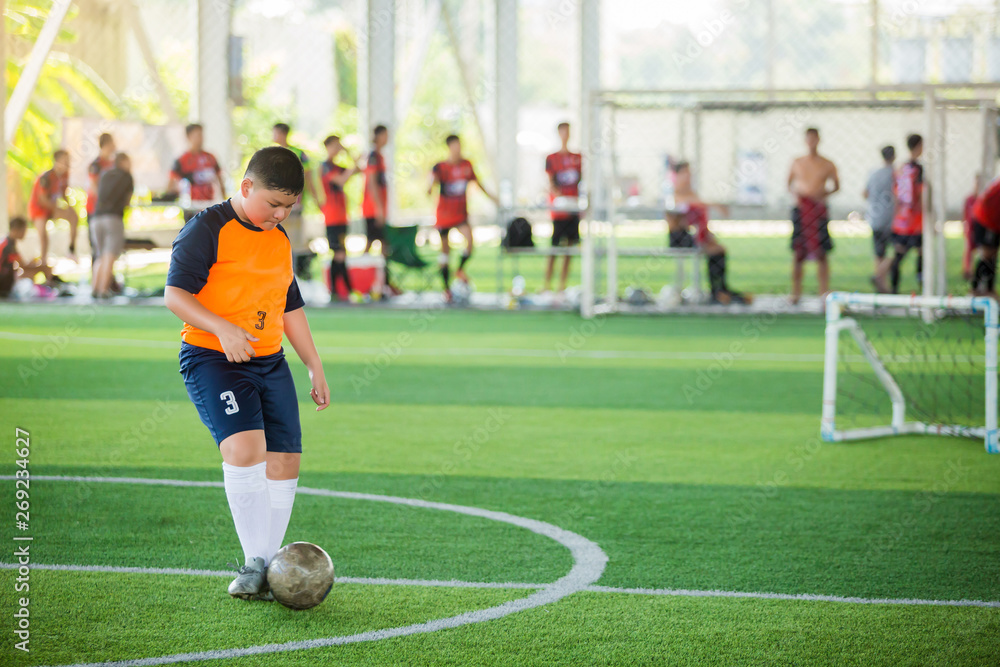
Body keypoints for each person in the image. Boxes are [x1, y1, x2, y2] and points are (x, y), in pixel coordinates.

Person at [164, 146, 329, 601]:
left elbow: (289, 305)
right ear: (246, 186)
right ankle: (256, 562)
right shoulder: (206, 228)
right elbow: (175, 295)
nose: (280, 215)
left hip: (270, 360)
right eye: (273, 204)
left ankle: (267, 567)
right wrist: (222, 329)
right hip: (213, 358)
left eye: (289, 207)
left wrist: (313, 364)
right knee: (244, 450)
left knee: (285, 459)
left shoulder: (279, 239)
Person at [666, 162, 750, 304]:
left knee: (719, 249)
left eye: (689, 173)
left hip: (693, 235)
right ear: (677, 175)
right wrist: (714, 205)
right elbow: (689, 206)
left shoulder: (692, 193)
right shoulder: (674, 193)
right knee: (713, 250)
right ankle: (717, 292)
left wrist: (708, 235)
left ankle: (720, 289)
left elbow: (699, 217)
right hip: (680, 237)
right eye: (685, 173)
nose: (688, 177)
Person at [428, 134, 498, 302]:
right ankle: (446, 290)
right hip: (444, 216)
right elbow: (430, 185)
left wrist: (492, 198)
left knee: (470, 242)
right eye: (455, 146)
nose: (458, 149)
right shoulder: (440, 167)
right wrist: (429, 187)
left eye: (459, 145)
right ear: (449, 147)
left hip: (460, 215)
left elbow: (478, 183)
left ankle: (459, 269)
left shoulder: (466, 165)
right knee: (445, 253)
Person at [787, 128, 839, 304]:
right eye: (809, 139)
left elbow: (836, 186)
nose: (811, 142)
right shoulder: (797, 162)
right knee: (798, 252)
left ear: (819, 140)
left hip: (818, 211)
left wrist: (822, 194)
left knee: (822, 253)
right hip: (801, 210)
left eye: (814, 139)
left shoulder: (827, 164)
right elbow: (789, 184)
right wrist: (798, 196)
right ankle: (796, 292)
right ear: (805, 140)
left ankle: (823, 291)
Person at [273, 122, 320, 278]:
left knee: (294, 241)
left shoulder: (299, 154)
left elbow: (308, 178)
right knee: (278, 239)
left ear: (282, 134)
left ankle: (295, 274)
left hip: (295, 205)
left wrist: (315, 199)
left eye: (275, 133)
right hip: (277, 205)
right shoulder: (272, 155)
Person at [543, 122, 583, 294]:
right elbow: (551, 183)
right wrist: (559, 197)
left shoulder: (578, 158)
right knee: (554, 248)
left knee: (569, 248)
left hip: (573, 210)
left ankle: (561, 286)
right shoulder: (552, 158)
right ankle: (547, 285)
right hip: (559, 211)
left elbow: (581, 181)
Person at [320, 135, 362, 301]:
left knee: (341, 254)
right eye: (336, 145)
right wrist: (352, 164)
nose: (338, 149)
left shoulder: (337, 166)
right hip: (331, 217)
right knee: (338, 253)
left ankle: (339, 291)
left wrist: (349, 153)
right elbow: (342, 180)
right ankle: (341, 290)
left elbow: (358, 170)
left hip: (342, 216)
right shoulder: (325, 167)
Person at [92, 153, 134, 299]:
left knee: (100, 255)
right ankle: (103, 290)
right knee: (109, 256)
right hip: (113, 218)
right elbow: (127, 201)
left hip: (96, 218)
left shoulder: (104, 174)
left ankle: (95, 288)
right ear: (123, 162)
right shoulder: (127, 177)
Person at [28, 149, 79, 268]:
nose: (67, 163)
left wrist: (69, 207)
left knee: (74, 217)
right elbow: (42, 200)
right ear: (58, 161)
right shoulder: (46, 177)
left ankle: (71, 250)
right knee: (43, 237)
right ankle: (43, 262)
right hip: (38, 209)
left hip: (51, 207)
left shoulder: (64, 176)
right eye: (65, 160)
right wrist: (57, 209)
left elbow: (63, 193)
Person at [889, 134, 925, 294]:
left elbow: (895, 193)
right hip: (916, 221)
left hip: (901, 221)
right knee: (922, 254)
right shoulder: (918, 169)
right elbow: (920, 194)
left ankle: (894, 290)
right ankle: (923, 288)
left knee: (898, 256)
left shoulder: (901, 168)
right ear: (919, 146)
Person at [168, 123, 226, 206]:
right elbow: (172, 181)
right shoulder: (182, 159)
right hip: (190, 205)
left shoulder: (210, 157)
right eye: (197, 135)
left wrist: (224, 201)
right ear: (188, 137)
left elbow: (220, 179)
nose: (200, 139)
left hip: (209, 204)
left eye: (201, 135)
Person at [864, 145, 896, 293]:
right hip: (891, 218)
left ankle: (882, 286)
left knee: (879, 253)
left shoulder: (873, 173)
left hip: (875, 218)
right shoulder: (895, 174)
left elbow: (865, 193)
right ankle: (880, 277)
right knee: (898, 250)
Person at [1, 217, 53, 298]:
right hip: (3, 283)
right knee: (42, 269)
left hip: (6, 279)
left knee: (39, 269)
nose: (25, 233)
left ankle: (48, 285)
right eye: (23, 230)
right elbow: (23, 266)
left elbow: (19, 265)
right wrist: (39, 266)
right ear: (15, 230)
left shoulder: (9, 243)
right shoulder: (9, 246)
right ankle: (50, 286)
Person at [969, 175, 1000, 298]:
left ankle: (989, 289)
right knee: (987, 254)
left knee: (992, 255)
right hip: (987, 220)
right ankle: (975, 289)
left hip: (993, 221)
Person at [963, 173, 982, 283]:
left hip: (981, 228)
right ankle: (968, 271)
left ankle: (980, 273)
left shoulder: (984, 199)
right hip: (971, 228)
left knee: (983, 251)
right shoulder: (969, 199)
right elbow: (965, 215)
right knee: (969, 249)